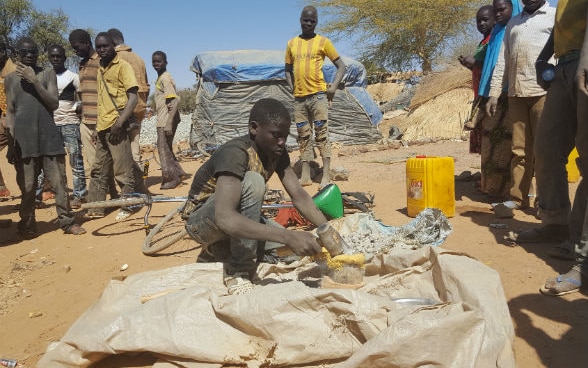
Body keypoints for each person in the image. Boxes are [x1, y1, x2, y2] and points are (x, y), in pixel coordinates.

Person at [184, 98, 327, 295]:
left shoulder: (276, 151)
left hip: (236, 219)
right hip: (203, 222)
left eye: (285, 136)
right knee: (254, 181)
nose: (282, 142)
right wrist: (288, 235)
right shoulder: (235, 153)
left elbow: (299, 195)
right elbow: (225, 218)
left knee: (292, 255)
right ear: (254, 128)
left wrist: (327, 229)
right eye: (276, 135)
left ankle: (218, 250)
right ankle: (238, 270)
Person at [518, 0, 588, 296]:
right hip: (563, 67)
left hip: (584, 63)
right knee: (545, 149)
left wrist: (585, 60)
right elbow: (561, 29)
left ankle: (583, 256)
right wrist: (543, 58)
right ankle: (556, 222)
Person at [4, 37, 85, 238]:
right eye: (25, 52)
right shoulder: (10, 79)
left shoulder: (47, 74)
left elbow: (53, 103)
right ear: (18, 54)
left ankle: (67, 221)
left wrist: (33, 80)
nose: (29, 55)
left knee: (58, 182)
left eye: (33, 52)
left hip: (49, 137)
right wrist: (12, 144)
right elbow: (11, 113)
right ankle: (28, 224)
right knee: (28, 186)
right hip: (24, 141)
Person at [486, 0, 555, 217]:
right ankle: (518, 198)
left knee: (545, 151)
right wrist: (494, 94)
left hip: (543, 92)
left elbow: (561, 54)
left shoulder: (553, 17)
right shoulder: (513, 24)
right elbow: (503, 61)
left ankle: (545, 202)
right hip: (516, 93)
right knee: (519, 150)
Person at [85, 32, 144, 221]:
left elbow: (133, 98)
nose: (102, 50)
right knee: (99, 169)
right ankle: (96, 207)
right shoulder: (100, 68)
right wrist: (96, 128)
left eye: (105, 46)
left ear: (113, 46)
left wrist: (119, 124)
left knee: (122, 169)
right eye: (99, 47)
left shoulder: (123, 67)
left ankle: (129, 204)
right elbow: (103, 101)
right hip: (103, 125)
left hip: (116, 125)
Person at [285, 5, 346, 189]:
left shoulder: (323, 42)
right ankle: (305, 174)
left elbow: (341, 66)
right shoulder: (291, 44)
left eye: (312, 21)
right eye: (306, 20)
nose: (309, 23)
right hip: (300, 99)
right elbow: (287, 70)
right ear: (300, 20)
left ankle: (326, 174)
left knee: (321, 135)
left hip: (318, 96)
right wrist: (292, 87)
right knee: (303, 136)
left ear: (316, 22)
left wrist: (333, 87)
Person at [475, 0, 522, 202]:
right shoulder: (496, 35)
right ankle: (491, 189)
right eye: (496, 10)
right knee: (489, 147)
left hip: (510, 94)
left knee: (508, 146)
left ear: (514, 8)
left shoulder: (514, 31)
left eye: (502, 9)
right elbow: (492, 66)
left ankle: (508, 192)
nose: (498, 13)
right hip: (492, 94)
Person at [47, 44, 87, 209]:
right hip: (51, 125)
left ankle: (79, 195)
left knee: (75, 160)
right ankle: (59, 194)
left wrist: (77, 108)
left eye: (59, 56)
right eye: (53, 56)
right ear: (49, 58)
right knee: (53, 163)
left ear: (64, 58)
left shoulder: (73, 76)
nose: (56, 59)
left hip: (70, 123)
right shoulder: (45, 76)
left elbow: (82, 97)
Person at [107, 28, 150, 165]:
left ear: (111, 42)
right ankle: (140, 182)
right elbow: (146, 86)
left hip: (122, 111)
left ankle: (128, 183)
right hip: (139, 109)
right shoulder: (139, 59)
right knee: (135, 148)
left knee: (121, 152)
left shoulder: (115, 58)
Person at [458, 5, 495, 155]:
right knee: (482, 135)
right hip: (479, 93)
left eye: (485, 20)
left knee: (490, 135)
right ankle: (486, 174)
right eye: (478, 21)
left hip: (490, 94)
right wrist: (469, 65)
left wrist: (475, 63)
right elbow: (480, 70)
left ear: (495, 19)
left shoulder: (494, 41)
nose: (481, 24)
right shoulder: (483, 43)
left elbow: (493, 67)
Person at [151, 51, 188, 189]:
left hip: (165, 119)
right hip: (165, 118)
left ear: (165, 62)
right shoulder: (161, 78)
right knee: (167, 148)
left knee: (163, 149)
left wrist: (168, 123)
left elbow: (174, 100)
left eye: (159, 61)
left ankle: (171, 178)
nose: (156, 64)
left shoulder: (165, 79)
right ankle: (178, 172)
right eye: (154, 62)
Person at [0, 40, 16, 199]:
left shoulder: (13, 71)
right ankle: (1, 187)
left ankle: (42, 189)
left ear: (3, 52)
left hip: (16, 119)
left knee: (20, 156)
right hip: (3, 118)